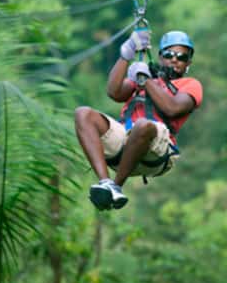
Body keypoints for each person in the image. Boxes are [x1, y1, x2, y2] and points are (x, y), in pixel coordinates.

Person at [74, 30, 203, 210]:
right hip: (127, 142)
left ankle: (117, 185)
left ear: (188, 63)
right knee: (83, 113)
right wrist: (126, 55)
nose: (174, 59)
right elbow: (114, 91)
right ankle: (105, 183)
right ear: (160, 57)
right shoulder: (144, 77)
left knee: (143, 125)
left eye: (181, 57)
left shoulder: (191, 85)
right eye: (169, 54)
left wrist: (146, 81)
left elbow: (172, 108)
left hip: (158, 150)